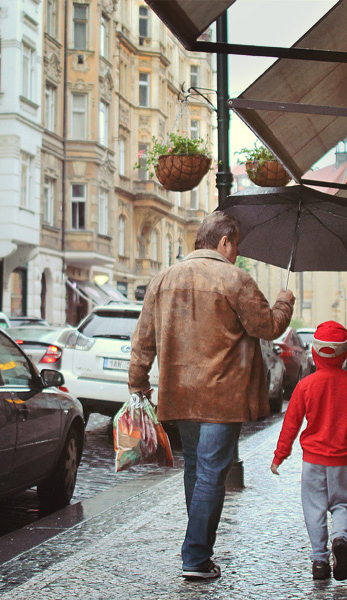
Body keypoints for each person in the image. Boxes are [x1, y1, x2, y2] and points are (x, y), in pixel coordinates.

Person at [128, 211, 295, 580]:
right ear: (223, 242)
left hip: (179, 394)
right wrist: (284, 302)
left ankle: (198, 549)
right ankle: (196, 557)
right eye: (236, 245)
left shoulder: (163, 279)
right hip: (222, 395)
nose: (236, 253)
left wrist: (138, 383)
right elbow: (267, 326)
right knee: (210, 474)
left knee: (195, 469)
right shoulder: (234, 278)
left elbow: (143, 339)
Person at [270, 320, 347, 581]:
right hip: (343, 461)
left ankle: (319, 561)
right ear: (346, 352)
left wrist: (279, 456)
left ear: (315, 352)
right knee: (343, 503)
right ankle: (340, 538)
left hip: (313, 462)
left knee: (314, 509)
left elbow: (291, 424)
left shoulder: (306, 385)